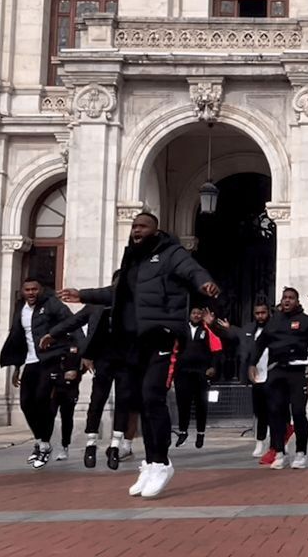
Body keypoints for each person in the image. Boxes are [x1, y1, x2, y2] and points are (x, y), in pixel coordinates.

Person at [60, 212, 220, 498]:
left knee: (152, 396)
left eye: (142, 226)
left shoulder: (172, 253)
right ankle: (150, 463)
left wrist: (204, 283)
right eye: (133, 226)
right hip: (134, 341)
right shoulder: (132, 260)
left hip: (163, 334)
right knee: (140, 402)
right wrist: (82, 295)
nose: (136, 230)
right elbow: (117, 294)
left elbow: (193, 270)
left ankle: (162, 463)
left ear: (155, 230)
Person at [51, 287, 137, 470]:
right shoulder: (96, 306)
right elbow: (73, 322)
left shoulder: (134, 306)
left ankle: (115, 446)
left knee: (123, 402)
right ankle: (91, 444)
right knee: (97, 401)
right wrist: (53, 334)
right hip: (103, 361)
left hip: (126, 362)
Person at [0, 276, 76, 470]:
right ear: (23, 291)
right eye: (28, 290)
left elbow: (71, 323)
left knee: (43, 401)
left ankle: (44, 442)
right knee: (26, 403)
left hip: (50, 360)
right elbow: (17, 337)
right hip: (30, 363)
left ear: (41, 290)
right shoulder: (20, 309)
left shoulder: (52, 304)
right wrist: (17, 367)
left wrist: (72, 358)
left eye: (35, 289)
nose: (31, 293)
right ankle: (40, 439)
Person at [252, 287, 308, 470]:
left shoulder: (307, 321)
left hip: (298, 372)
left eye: (291, 298)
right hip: (277, 371)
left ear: (297, 301)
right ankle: (280, 452)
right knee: (275, 412)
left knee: (298, 412)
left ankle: (301, 453)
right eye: (284, 298)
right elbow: (260, 344)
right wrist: (252, 364)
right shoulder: (274, 321)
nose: (287, 301)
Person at [174, 306, 222, 449]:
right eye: (194, 313)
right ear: (189, 315)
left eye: (198, 314)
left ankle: (200, 433)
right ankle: (183, 431)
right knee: (183, 403)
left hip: (201, 373)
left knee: (201, 404)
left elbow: (216, 349)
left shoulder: (207, 330)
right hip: (183, 373)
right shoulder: (181, 330)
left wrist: (213, 367)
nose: (196, 316)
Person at [241, 299, 272, 459]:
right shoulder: (250, 330)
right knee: (259, 412)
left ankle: (278, 442)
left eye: (263, 313)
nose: (260, 316)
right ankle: (260, 441)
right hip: (257, 377)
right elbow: (234, 334)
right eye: (257, 313)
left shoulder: (275, 328)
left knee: (275, 410)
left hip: (273, 376)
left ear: (269, 312)